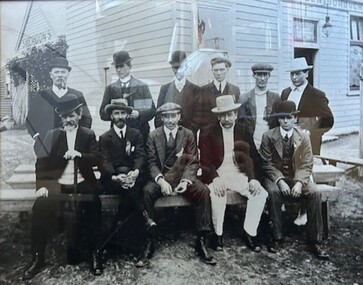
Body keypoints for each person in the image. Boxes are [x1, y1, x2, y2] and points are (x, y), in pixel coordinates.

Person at [22, 94, 102, 280]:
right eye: (64, 116)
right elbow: (41, 163)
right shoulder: (52, 135)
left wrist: (79, 154)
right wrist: (41, 186)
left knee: (94, 205)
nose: (68, 120)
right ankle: (37, 257)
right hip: (57, 184)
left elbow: (98, 158)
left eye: (71, 115)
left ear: (79, 114)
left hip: (82, 182)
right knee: (40, 207)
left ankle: (94, 253)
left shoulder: (88, 135)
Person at [140, 103, 216, 267]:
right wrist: (161, 181)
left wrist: (185, 181)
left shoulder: (188, 134)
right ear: (161, 118)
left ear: (179, 117)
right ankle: (149, 241)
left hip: (182, 177)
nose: (170, 120)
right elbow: (151, 163)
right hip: (163, 177)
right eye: (166, 116)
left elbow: (193, 161)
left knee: (203, 191)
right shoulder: (153, 136)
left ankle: (201, 240)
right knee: (146, 191)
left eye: (173, 116)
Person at [260, 100, 330, 260]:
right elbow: (266, 163)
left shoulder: (303, 137)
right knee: (273, 192)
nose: (285, 121)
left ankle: (315, 240)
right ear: (278, 119)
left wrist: (299, 182)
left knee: (314, 193)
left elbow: (307, 163)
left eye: (289, 117)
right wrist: (279, 180)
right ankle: (276, 236)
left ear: (295, 118)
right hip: (275, 176)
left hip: (297, 176)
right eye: (282, 117)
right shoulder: (268, 136)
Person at [199, 95, 268, 252]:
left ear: (236, 114)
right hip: (218, 173)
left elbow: (252, 158)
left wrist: (253, 179)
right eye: (222, 115)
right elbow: (205, 161)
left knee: (259, 194)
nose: (226, 118)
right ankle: (218, 235)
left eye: (230, 114)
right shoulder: (208, 132)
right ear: (218, 116)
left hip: (238, 173)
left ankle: (249, 232)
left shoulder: (243, 130)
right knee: (217, 195)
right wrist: (215, 179)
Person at [98, 98, 155, 265]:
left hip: (133, 178)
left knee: (130, 192)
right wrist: (116, 176)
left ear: (128, 115)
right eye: (116, 113)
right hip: (114, 179)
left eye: (123, 113)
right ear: (111, 116)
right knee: (131, 190)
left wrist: (136, 172)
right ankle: (144, 218)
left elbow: (140, 156)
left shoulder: (136, 134)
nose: (120, 116)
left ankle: (112, 239)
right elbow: (105, 161)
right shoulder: (104, 137)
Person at [26, 56, 92, 157]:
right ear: (51, 75)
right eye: (56, 72)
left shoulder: (77, 95)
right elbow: (30, 120)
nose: (60, 75)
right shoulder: (42, 95)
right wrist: (37, 136)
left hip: (72, 145)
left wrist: (81, 137)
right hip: (46, 146)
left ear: (68, 74)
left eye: (63, 72)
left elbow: (87, 118)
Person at [281, 57, 334, 155]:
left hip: (309, 142)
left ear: (306, 74)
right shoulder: (285, 93)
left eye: (298, 73)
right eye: (292, 74)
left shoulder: (316, 95)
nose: (294, 77)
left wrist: (311, 132)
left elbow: (328, 119)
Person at [99, 51, 156, 142]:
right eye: (117, 67)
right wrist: (115, 114)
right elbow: (102, 113)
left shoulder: (142, 86)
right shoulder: (110, 89)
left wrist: (139, 114)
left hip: (140, 133)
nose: (118, 70)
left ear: (129, 67)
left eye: (122, 66)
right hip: (118, 134)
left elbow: (152, 110)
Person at [154, 50, 200, 133]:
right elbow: (158, 115)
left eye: (181, 67)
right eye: (176, 67)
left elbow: (198, 117)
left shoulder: (195, 90)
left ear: (186, 67)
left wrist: (188, 133)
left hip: (188, 137)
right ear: (172, 68)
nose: (178, 71)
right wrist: (166, 133)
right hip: (168, 137)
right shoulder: (165, 89)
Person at [193, 54, 240, 133]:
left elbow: (237, 115)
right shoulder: (203, 90)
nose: (218, 73)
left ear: (227, 69)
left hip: (228, 131)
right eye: (216, 70)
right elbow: (199, 115)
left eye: (222, 70)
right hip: (209, 135)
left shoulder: (235, 90)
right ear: (212, 70)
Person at [238, 63, 280, 149]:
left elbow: (278, 123)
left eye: (265, 75)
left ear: (269, 76)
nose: (262, 78)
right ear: (254, 76)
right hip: (251, 143)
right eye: (259, 75)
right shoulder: (245, 98)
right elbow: (240, 124)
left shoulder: (275, 98)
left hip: (270, 144)